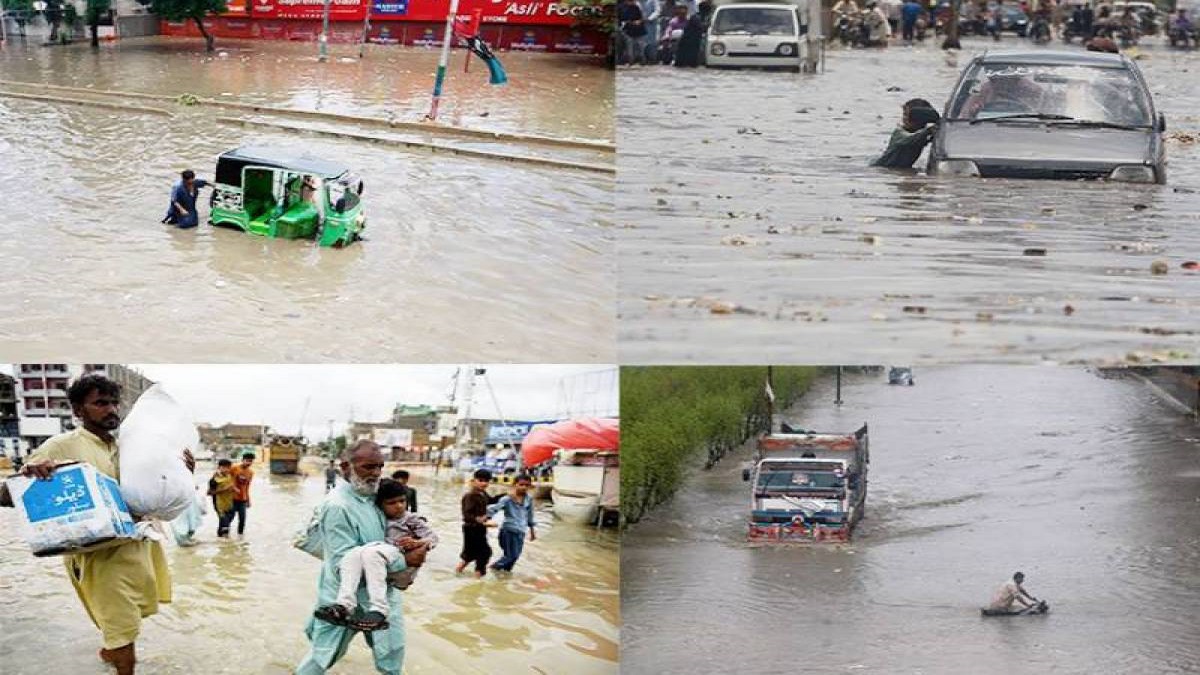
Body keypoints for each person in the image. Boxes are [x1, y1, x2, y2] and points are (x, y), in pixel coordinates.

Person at [7, 374, 195, 675]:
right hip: (99, 557)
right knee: (123, 628)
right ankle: (122, 663)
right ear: (78, 411)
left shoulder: (130, 446)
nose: (110, 410)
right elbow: (7, 495)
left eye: (113, 403)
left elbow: (153, 491)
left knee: (127, 619)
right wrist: (31, 472)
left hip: (137, 547)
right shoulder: (61, 445)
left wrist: (179, 471)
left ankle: (109, 652)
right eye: (99, 403)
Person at [297, 441, 408, 675]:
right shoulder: (338, 506)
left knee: (392, 653)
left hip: (383, 594)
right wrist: (401, 564)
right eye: (368, 467)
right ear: (346, 466)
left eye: (380, 466)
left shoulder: (377, 497)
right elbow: (343, 564)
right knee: (323, 655)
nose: (376, 473)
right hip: (345, 596)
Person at [312, 479, 437, 631]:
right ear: (380, 505)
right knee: (352, 554)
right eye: (392, 503)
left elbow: (433, 538)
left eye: (402, 501)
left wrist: (418, 543)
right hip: (385, 563)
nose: (399, 506)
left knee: (371, 553)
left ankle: (379, 609)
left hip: (401, 560)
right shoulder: (377, 517)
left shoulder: (410, 519)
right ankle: (344, 605)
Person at [487, 474, 538, 572]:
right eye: (521, 484)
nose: (524, 487)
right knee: (511, 556)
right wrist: (485, 519)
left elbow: (530, 516)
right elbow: (493, 509)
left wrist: (532, 532)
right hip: (508, 531)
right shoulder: (507, 499)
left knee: (514, 558)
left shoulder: (528, 499)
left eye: (527, 485)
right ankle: (490, 570)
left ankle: (503, 579)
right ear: (515, 484)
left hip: (520, 532)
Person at [871, 98, 940, 169]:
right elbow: (908, 140)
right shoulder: (899, 132)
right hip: (882, 167)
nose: (904, 119)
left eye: (907, 115)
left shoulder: (921, 135)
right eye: (904, 115)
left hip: (900, 168)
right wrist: (928, 131)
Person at [456, 469, 497, 577]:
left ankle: (458, 572)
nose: (484, 483)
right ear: (474, 480)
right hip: (471, 528)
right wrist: (481, 521)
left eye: (486, 481)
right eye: (481, 480)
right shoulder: (470, 496)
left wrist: (506, 496)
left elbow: (492, 501)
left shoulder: (482, 494)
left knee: (470, 554)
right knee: (485, 553)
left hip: (479, 528)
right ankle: (477, 579)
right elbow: (467, 515)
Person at [228, 452, 255, 536]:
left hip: (243, 499)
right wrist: (233, 487)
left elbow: (247, 486)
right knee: (230, 518)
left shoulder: (250, 473)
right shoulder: (234, 468)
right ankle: (225, 534)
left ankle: (240, 536)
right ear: (242, 460)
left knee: (243, 519)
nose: (249, 463)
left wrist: (248, 500)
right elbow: (226, 479)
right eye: (247, 461)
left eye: (251, 461)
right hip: (232, 498)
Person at [208, 459, 236, 537]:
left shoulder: (229, 476)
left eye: (228, 468)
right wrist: (225, 489)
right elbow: (209, 493)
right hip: (219, 505)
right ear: (219, 467)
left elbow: (230, 486)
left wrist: (234, 489)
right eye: (225, 468)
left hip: (229, 504)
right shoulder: (214, 480)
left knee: (226, 523)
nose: (227, 470)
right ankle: (225, 546)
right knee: (225, 526)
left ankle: (219, 539)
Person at [619, 0, 650, 67]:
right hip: (628, 30)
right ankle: (630, 61)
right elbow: (621, 19)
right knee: (629, 47)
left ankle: (643, 61)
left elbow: (642, 17)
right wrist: (628, 23)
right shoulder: (622, 8)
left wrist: (638, 21)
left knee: (641, 47)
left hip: (639, 30)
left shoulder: (637, 7)